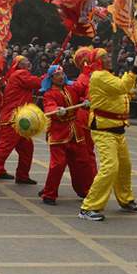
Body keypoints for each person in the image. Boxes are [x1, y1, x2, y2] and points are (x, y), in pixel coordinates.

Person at [78, 52, 137, 221]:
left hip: (118, 129)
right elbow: (122, 87)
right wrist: (135, 69)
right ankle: (89, 207)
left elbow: (121, 91)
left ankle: (125, 199)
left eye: (109, 56)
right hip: (104, 129)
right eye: (105, 57)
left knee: (125, 166)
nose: (110, 58)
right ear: (97, 62)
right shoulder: (100, 76)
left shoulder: (109, 76)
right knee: (110, 167)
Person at [0, 55, 40, 190]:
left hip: (20, 120)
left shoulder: (17, 75)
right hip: (13, 120)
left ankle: (22, 176)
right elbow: (37, 83)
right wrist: (49, 75)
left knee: (27, 148)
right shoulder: (20, 74)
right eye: (26, 62)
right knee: (3, 149)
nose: (29, 63)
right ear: (19, 65)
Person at [40, 65, 94, 205]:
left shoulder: (71, 88)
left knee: (83, 163)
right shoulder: (49, 93)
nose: (61, 76)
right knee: (58, 165)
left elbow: (82, 93)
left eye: (62, 74)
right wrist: (56, 109)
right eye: (58, 75)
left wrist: (85, 102)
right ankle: (49, 194)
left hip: (76, 131)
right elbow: (49, 106)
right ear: (51, 78)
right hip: (59, 132)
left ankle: (85, 190)